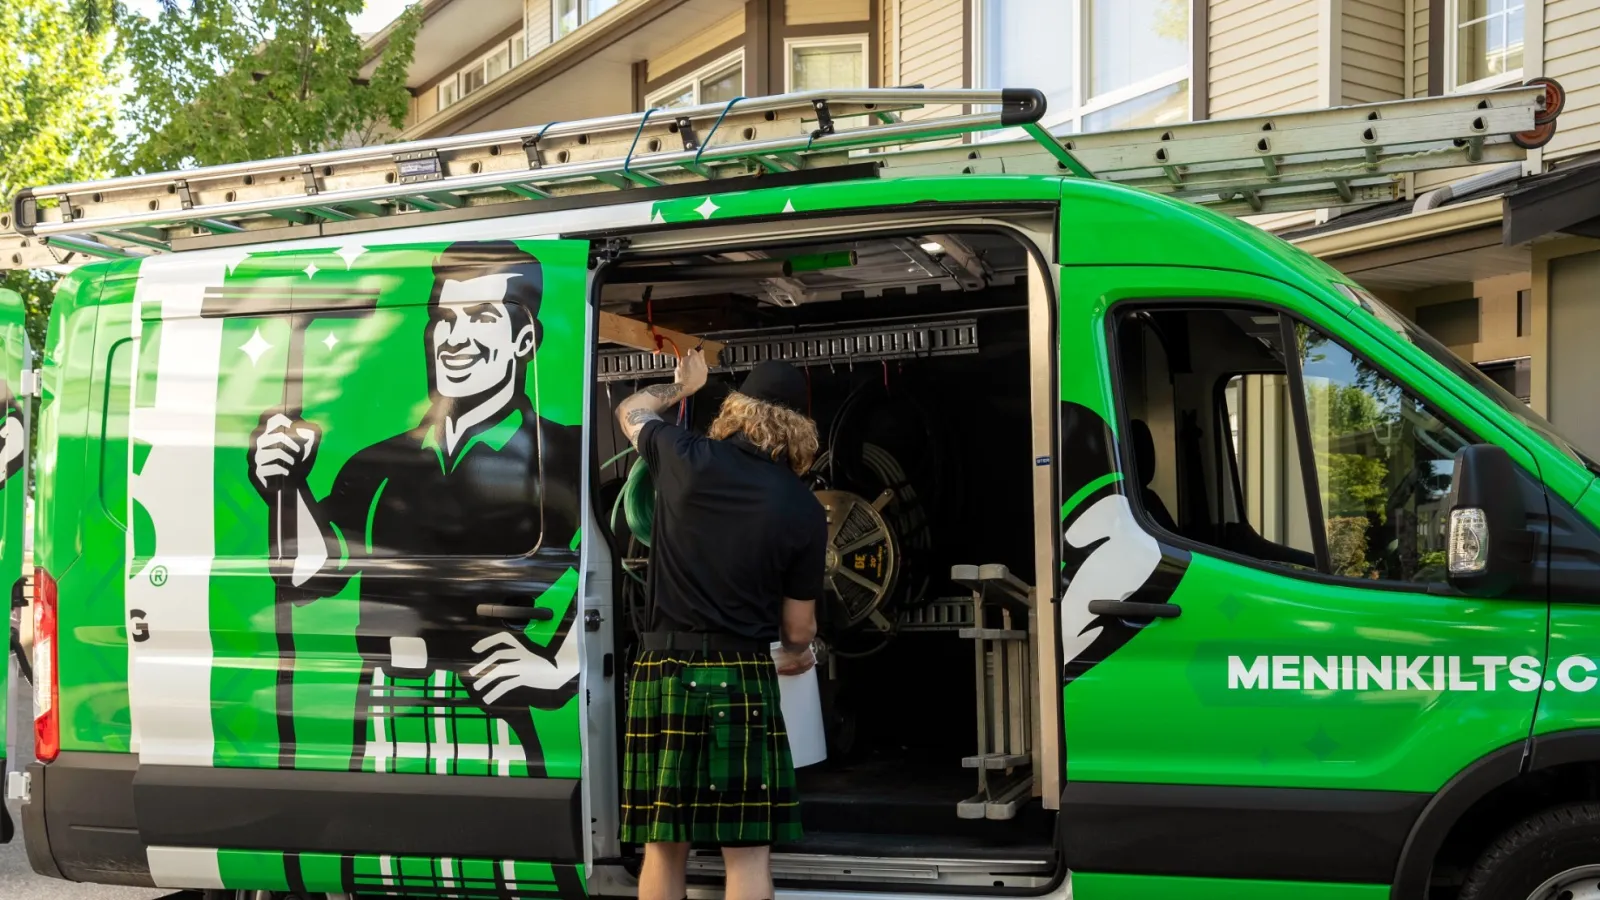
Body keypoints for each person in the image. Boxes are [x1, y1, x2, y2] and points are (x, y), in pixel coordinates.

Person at [249, 240, 583, 775]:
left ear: (524, 339)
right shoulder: (377, 462)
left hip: (495, 712)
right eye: (444, 318)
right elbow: (309, 575)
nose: (455, 337)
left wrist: (561, 666)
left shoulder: (568, 452)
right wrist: (287, 486)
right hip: (388, 706)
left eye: (480, 317)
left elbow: (621, 559)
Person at [615, 351, 827, 900]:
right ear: (800, 430)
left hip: (665, 669)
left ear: (736, 410)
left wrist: (682, 387)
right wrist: (800, 652)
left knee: (664, 846)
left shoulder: (684, 455)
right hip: (741, 675)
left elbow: (631, 410)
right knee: (748, 850)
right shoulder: (801, 508)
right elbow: (799, 631)